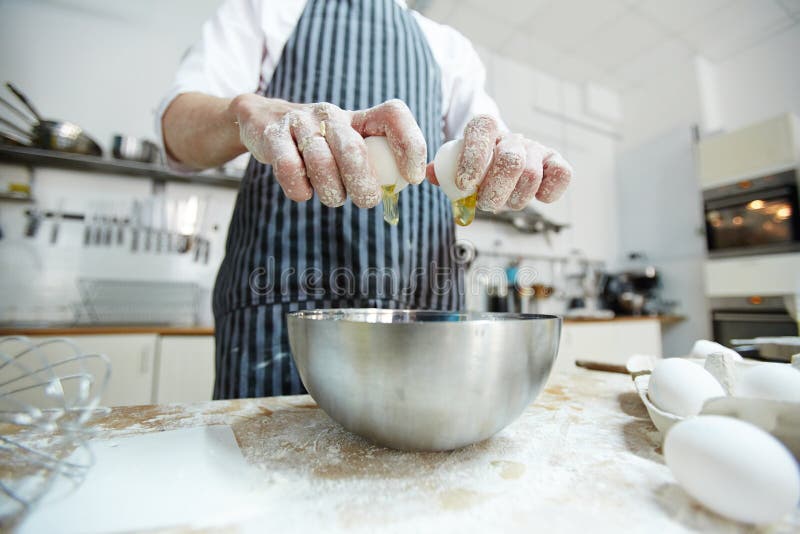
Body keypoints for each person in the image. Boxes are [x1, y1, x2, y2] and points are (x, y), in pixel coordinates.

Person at [157, 0, 573, 399]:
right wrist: (249, 114)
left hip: (421, 314)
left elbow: (482, 146)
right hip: (277, 311)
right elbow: (176, 132)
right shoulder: (268, 7)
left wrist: (506, 156)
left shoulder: (449, 48)